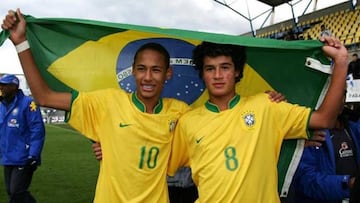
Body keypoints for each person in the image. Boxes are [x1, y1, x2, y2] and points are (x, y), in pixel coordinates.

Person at [167, 38, 348, 202]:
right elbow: (160, 167)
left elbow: (325, 119)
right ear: (202, 74)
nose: (217, 75)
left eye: (225, 67)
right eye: (210, 68)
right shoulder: (188, 122)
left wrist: (340, 63)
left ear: (237, 71)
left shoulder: (266, 105)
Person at [292, 90, 360, 203]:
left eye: (343, 93)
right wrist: (349, 184)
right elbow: (306, 181)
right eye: (335, 91)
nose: (341, 99)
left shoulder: (353, 129)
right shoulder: (306, 135)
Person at [0, 74, 45, 203]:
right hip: (8, 157)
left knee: (17, 191)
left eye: (4, 85)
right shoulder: (2, 105)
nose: (1, 88)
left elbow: (37, 130)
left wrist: (33, 154)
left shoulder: (28, 103)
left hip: (24, 157)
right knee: (11, 192)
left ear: (14, 87)